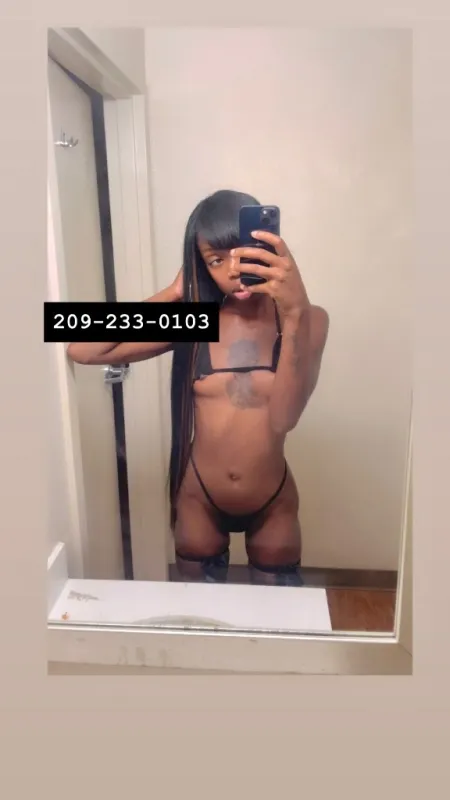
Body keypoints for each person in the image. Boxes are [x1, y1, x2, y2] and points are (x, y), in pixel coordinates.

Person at [67, 189, 329, 586]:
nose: (232, 269)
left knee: (277, 615)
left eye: (242, 252)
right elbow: (82, 348)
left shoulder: (310, 319)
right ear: (201, 265)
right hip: (198, 497)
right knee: (199, 616)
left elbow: (284, 419)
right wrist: (173, 293)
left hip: (272, 499)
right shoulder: (195, 320)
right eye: (215, 260)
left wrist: (293, 313)